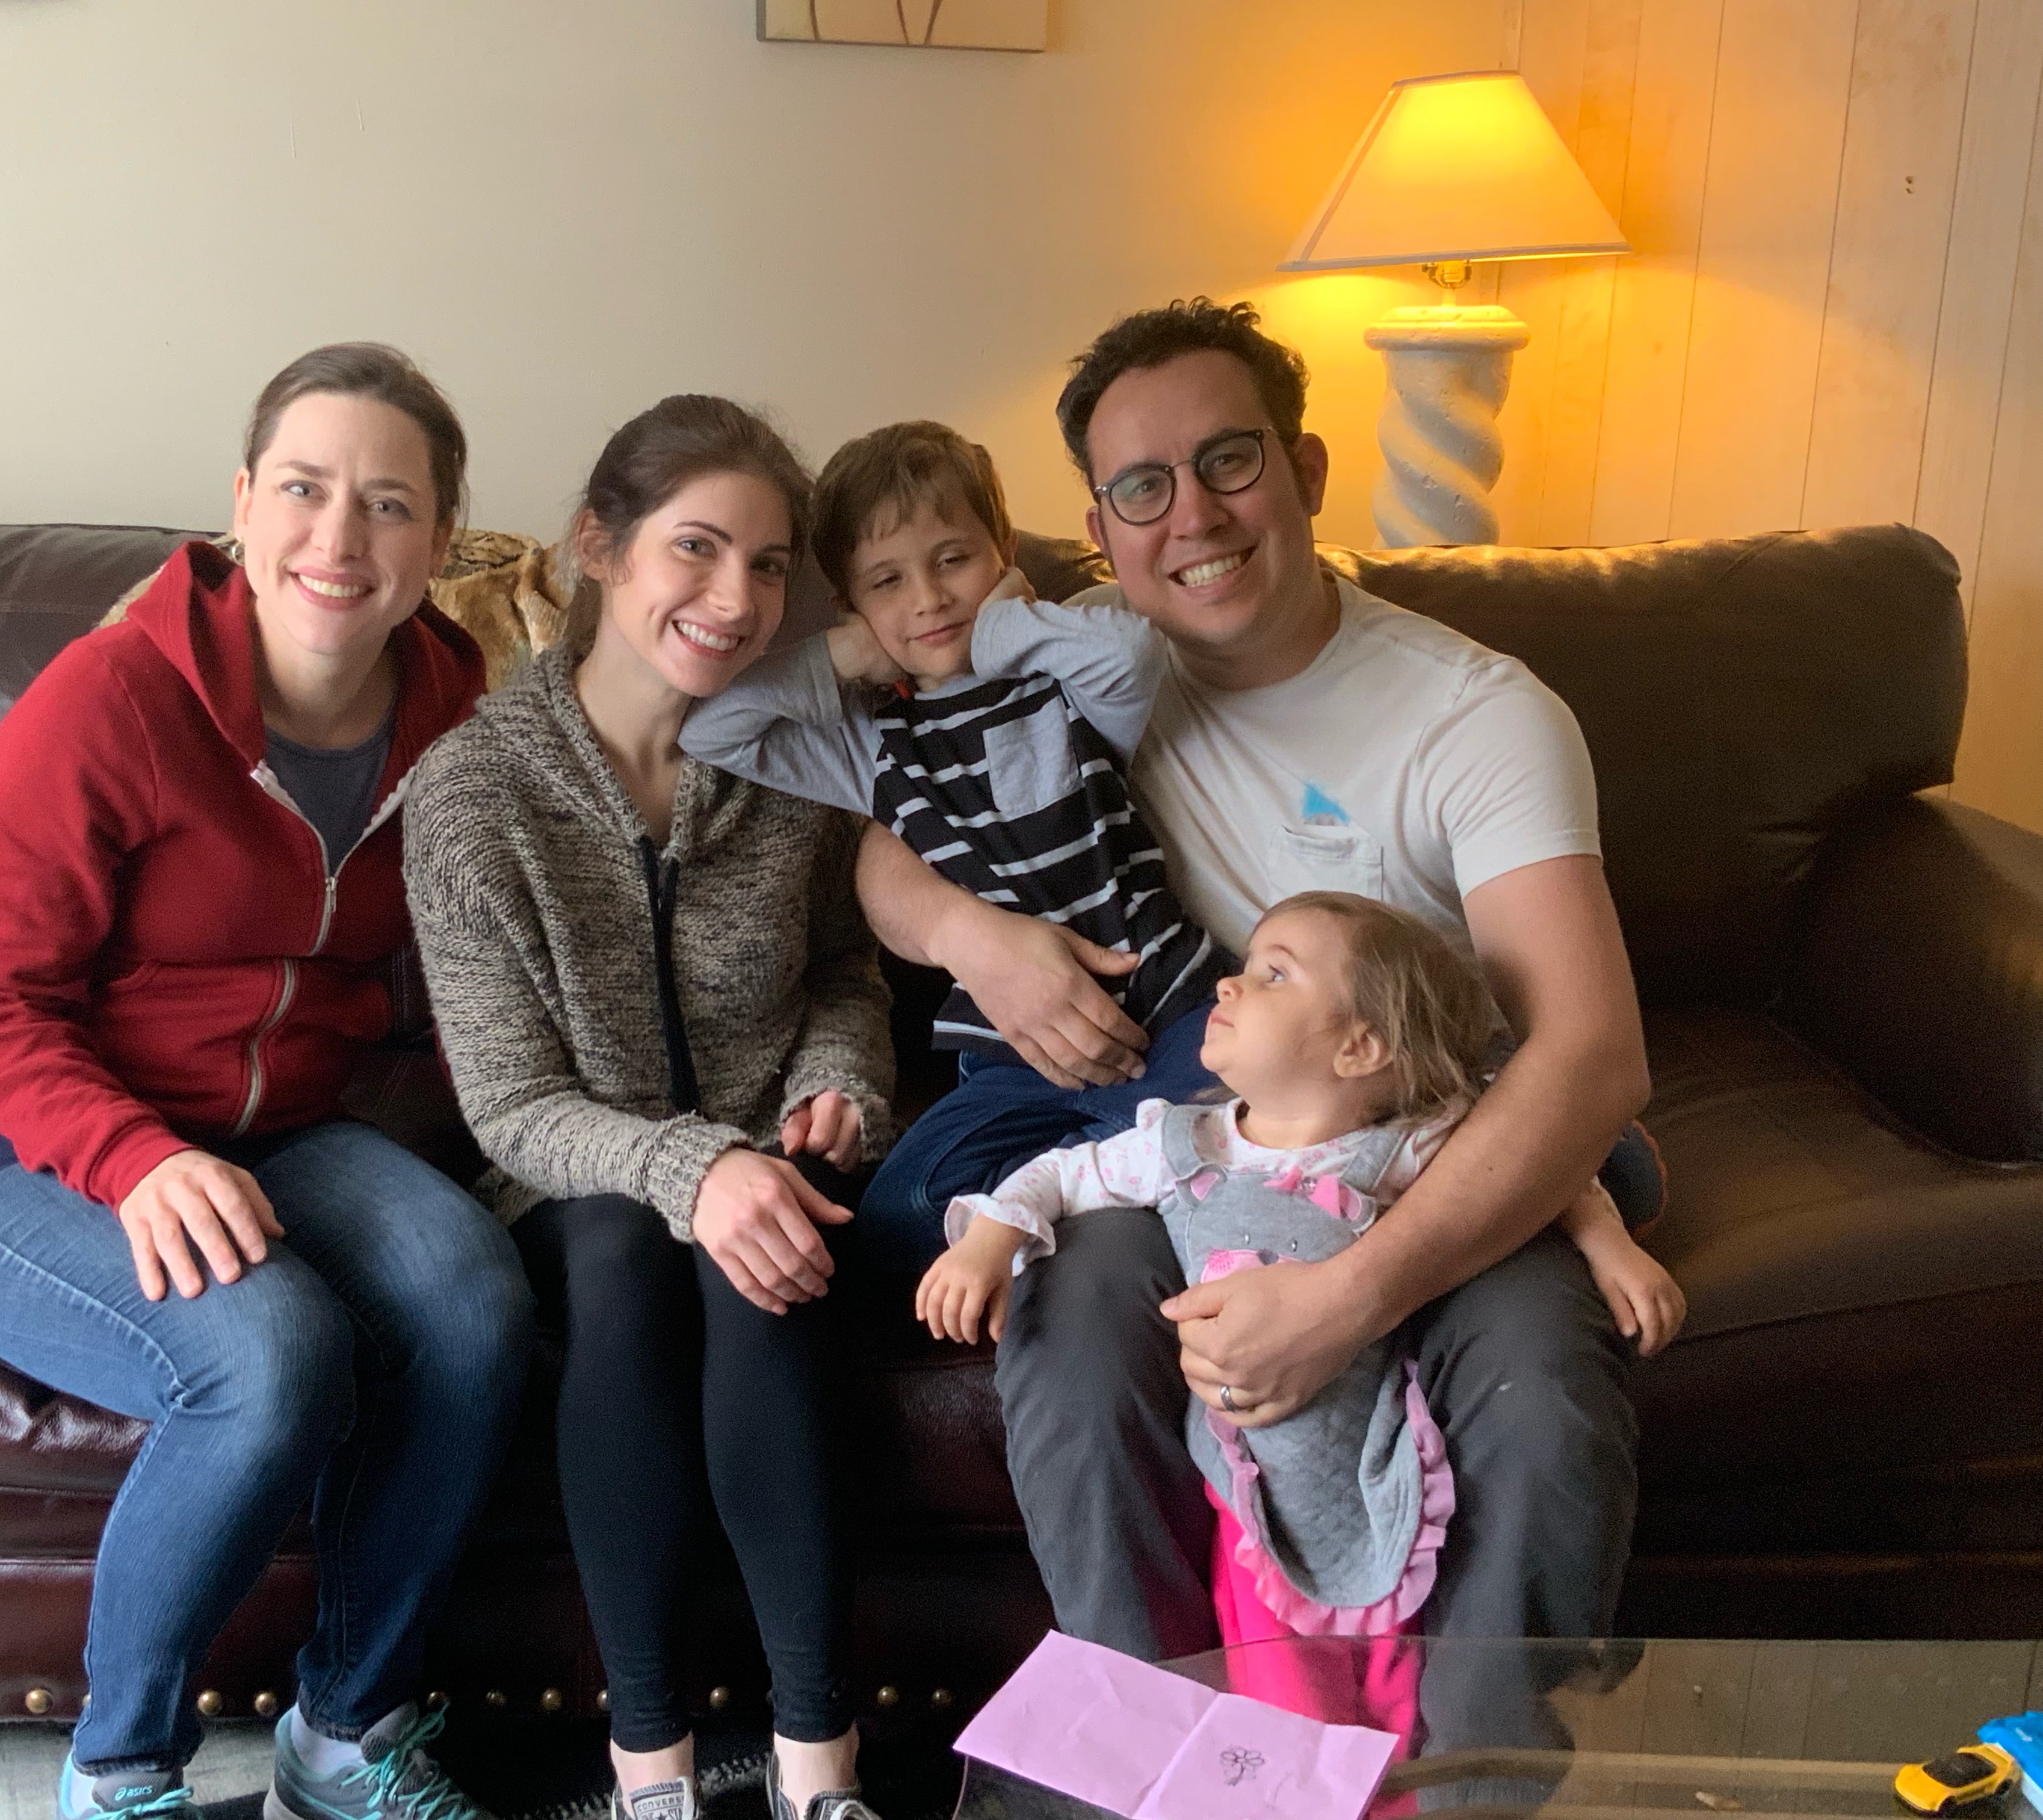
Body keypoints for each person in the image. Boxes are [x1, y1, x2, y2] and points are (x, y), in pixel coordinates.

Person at [849, 299, 1659, 1725]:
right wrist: (980, 941)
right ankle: (1164, 1767)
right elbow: (878, 844)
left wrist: (1350, 1299)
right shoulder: (1079, 666)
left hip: (1440, 1142)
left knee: (1538, 1395)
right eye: (1142, 488)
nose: (1194, 518)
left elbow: (1589, 1056)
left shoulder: (1477, 716)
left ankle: (1466, 1789)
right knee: (1074, 1318)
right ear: (1098, 534)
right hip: (1214, 1135)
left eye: (1229, 461)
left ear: (1308, 470)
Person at [0, 344, 535, 1820]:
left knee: (476, 1297)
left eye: (390, 504)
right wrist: (134, 1157)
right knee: (269, 1355)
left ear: (442, 542)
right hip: (36, 1158)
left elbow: (491, 941)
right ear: (243, 503)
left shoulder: (455, 713)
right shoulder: (112, 698)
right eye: (305, 490)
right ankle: (120, 1773)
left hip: (290, 1133)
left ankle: (348, 1736)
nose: (341, 537)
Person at [404, 395, 895, 1820]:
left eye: (768, 564)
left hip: (774, 1153)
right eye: (697, 547)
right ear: (599, 547)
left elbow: (847, 970)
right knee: (627, 1254)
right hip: (575, 1179)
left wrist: (836, 1084)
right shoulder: (474, 790)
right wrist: (692, 1171)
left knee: (766, 1262)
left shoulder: (797, 759)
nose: (736, 599)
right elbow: (510, 1104)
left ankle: (819, 1772)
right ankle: (652, 1772)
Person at [921, 892, 1683, 1666]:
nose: (1228, 984)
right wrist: (988, 1240)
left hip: (1375, 1449)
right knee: (1277, 1677)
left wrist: (1609, 1247)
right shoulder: (1182, 1144)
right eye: (1248, 967)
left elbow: (1547, 1166)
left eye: (1274, 975)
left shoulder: (1407, 1145)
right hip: (1242, 1480)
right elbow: (1061, 1173)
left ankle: (1478, 1729)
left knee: (1396, 1679)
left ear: (1361, 1047)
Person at [679, 420, 1227, 1282]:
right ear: (853, 600)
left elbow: (1133, 653)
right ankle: (1101, 1174)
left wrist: (1000, 625)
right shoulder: (869, 744)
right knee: (899, 1215)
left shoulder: (1064, 683)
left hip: (1166, 1009)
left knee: (1236, 1140)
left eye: (954, 560)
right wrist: (848, 651)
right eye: (888, 581)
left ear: (1001, 553)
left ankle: (1086, 1183)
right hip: (1016, 1059)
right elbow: (711, 729)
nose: (930, 599)